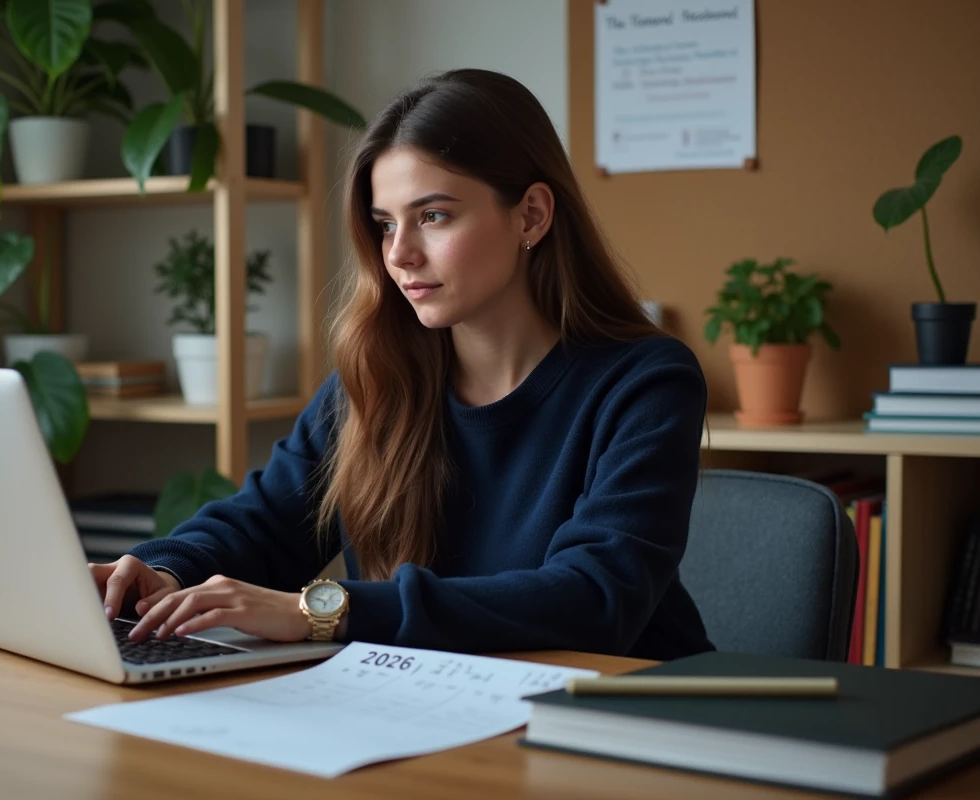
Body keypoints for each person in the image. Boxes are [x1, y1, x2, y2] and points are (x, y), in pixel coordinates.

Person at [92, 68, 714, 660]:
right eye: (386, 224)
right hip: (442, 709)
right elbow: (263, 524)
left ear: (531, 215)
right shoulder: (376, 377)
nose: (400, 254)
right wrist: (162, 570)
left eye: (434, 216)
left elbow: (593, 597)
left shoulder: (645, 382)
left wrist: (321, 612)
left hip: (624, 718)